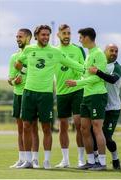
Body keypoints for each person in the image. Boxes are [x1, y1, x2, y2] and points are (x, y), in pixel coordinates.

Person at [14, 25, 85, 169]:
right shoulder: (29, 49)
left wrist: (89, 71)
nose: (45, 37)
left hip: (45, 95)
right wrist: (23, 71)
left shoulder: (55, 52)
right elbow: (18, 62)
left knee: (46, 127)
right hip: (28, 93)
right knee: (27, 126)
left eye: (47, 35)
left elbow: (73, 64)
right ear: (36, 36)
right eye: (43, 35)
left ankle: (46, 160)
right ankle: (28, 161)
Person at [66, 27, 108, 170]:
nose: (79, 40)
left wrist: (77, 83)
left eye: (81, 37)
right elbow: (86, 74)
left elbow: (97, 78)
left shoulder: (99, 54)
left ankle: (102, 163)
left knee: (97, 128)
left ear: (87, 37)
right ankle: (90, 161)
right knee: (84, 129)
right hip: (86, 96)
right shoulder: (89, 55)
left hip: (97, 95)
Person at [55, 24, 85, 168]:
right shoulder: (54, 52)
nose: (67, 36)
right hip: (61, 93)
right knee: (63, 126)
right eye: (64, 33)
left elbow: (84, 69)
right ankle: (65, 160)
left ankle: (81, 159)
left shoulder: (78, 49)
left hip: (77, 90)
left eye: (69, 33)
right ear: (58, 35)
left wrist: (78, 82)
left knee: (79, 124)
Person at [8, 29, 39, 168]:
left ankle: (34, 159)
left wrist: (23, 70)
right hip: (18, 95)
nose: (17, 39)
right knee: (20, 129)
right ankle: (22, 159)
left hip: (32, 93)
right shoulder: (14, 57)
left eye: (20, 37)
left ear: (28, 38)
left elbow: (37, 72)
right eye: (16, 37)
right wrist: (15, 81)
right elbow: (10, 79)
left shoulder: (34, 54)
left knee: (33, 128)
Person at [89, 44, 121, 169]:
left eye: (116, 51)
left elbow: (113, 79)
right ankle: (96, 159)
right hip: (99, 105)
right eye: (111, 50)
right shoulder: (99, 64)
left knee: (107, 137)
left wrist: (97, 72)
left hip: (112, 108)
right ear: (105, 51)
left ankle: (115, 159)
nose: (114, 53)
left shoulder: (117, 67)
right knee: (93, 133)